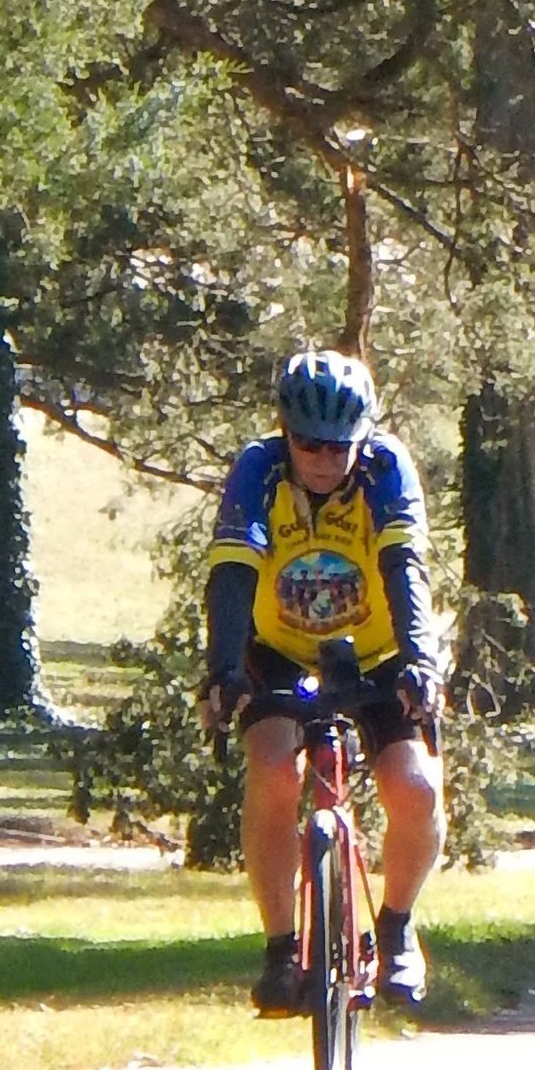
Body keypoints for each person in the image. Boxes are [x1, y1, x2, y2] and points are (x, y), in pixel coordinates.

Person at [200, 347, 447, 1010]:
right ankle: (282, 950)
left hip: (380, 648)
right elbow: (232, 571)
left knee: (414, 787)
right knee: (272, 768)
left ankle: (396, 929)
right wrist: (224, 669)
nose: (323, 459)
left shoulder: (386, 468)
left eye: (339, 446)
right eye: (308, 443)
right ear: (285, 432)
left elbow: (405, 568)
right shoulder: (258, 467)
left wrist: (420, 662)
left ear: (363, 437)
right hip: (279, 648)